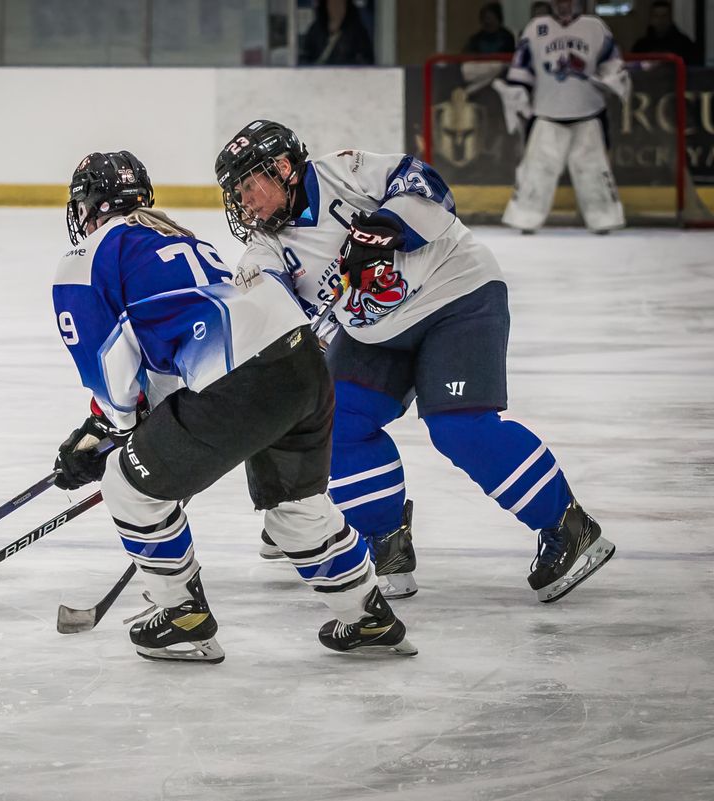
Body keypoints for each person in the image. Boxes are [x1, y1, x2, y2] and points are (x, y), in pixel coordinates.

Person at [215, 120, 616, 605]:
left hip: (456, 294)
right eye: (236, 192)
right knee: (335, 421)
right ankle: (385, 543)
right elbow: (265, 313)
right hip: (374, 333)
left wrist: (385, 228)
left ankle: (568, 527)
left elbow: (424, 183)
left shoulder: (345, 171)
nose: (245, 202)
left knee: (459, 427)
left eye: (249, 185)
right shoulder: (266, 249)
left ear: (283, 169)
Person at [50, 150, 415, 663]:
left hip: (244, 384)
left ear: (85, 206)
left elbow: (115, 374)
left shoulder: (85, 259)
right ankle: (367, 616)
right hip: (304, 364)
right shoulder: (175, 236)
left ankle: (181, 617)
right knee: (293, 505)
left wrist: (118, 436)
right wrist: (112, 430)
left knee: (127, 486)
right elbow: (170, 366)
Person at [501, 0, 631, 234]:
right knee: (537, 170)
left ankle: (603, 220)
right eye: (559, 1)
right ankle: (526, 219)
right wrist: (517, 93)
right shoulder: (536, 28)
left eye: (568, 1)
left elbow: (613, 63)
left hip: (588, 111)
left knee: (592, 170)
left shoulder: (595, 27)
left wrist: (612, 79)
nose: (564, 5)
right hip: (546, 111)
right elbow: (522, 67)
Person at [300, 0, 374, 66]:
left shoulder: (358, 31)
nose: (336, 7)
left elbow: (366, 61)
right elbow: (305, 58)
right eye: (332, 3)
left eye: (340, 3)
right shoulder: (315, 30)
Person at [631, 1, 700, 67]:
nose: (660, 20)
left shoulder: (684, 44)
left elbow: (693, 68)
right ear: (651, 19)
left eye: (664, 16)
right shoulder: (641, 45)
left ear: (670, 18)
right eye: (656, 16)